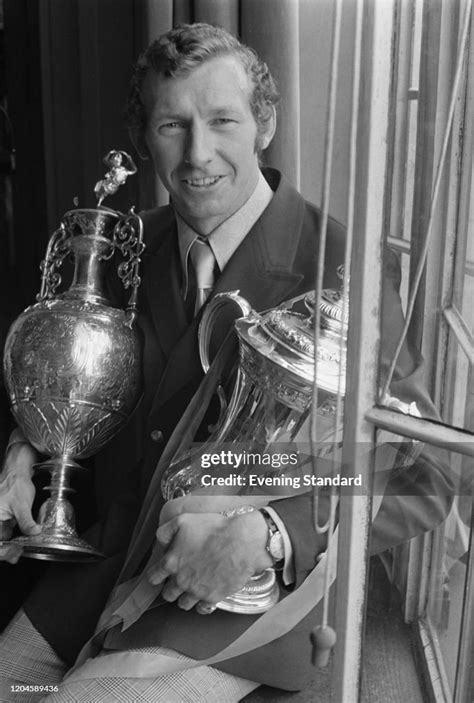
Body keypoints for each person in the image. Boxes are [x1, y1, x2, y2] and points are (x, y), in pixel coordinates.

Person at [0, 23, 453, 702]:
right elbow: (75, 373)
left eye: (222, 121)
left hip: (248, 603)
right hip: (113, 560)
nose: (197, 154)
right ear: (142, 136)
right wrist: (23, 450)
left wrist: (270, 533)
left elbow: (432, 471)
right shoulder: (132, 245)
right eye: (171, 125)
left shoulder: (343, 264)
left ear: (264, 125)